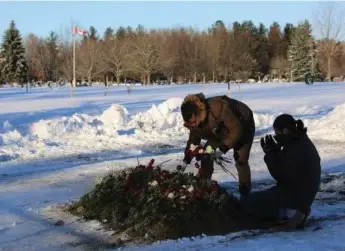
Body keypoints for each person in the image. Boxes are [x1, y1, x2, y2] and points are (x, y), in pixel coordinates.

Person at [241, 114, 321, 229]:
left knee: (248, 203)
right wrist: (276, 151)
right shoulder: (298, 141)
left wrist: (271, 154)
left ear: (286, 131)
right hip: (297, 192)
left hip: (295, 196)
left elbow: (280, 174)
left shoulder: (297, 148)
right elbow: (286, 167)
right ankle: (290, 213)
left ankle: (292, 214)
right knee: (255, 199)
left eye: (278, 133)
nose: (276, 137)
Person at [180, 93, 255, 196]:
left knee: (241, 160)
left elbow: (237, 131)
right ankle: (204, 185)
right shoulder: (194, 122)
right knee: (206, 154)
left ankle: (245, 190)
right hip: (219, 131)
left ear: (197, 112)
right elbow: (193, 141)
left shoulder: (219, 108)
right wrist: (186, 159)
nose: (194, 125)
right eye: (191, 124)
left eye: (194, 122)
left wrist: (222, 148)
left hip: (242, 123)